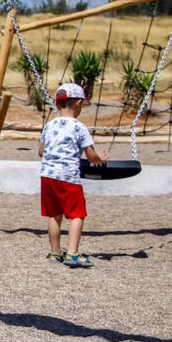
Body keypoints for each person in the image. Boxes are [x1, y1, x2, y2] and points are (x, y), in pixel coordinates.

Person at [38, 83, 107, 269]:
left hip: (47, 176)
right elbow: (91, 156)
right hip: (68, 177)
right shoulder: (79, 127)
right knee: (77, 214)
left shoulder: (49, 125)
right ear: (78, 103)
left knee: (54, 215)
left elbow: (41, 151)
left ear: (57, 103)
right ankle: (73, 253)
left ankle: (54, 252)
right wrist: (99, 159)